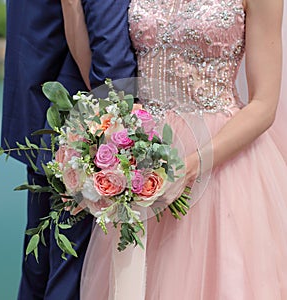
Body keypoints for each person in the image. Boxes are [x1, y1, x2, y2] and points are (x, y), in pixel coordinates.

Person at [71, 0, 287, 299]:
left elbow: (264, 105)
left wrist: (189, 167)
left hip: (221, 158)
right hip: (145, 154)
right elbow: (103, 75)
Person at [1, 0, 136, 299]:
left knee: (39, 269)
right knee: (69, 276)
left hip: (41, 115)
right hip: (83, 126)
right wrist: (125, 122)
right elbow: (113, 72)